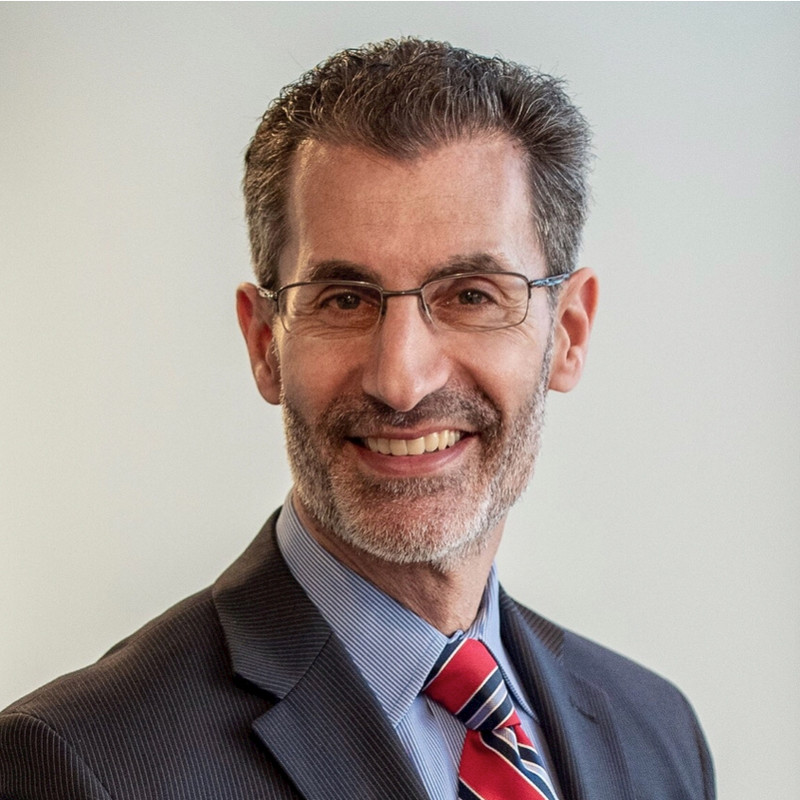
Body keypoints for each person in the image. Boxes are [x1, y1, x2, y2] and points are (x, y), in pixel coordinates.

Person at [0, 38, 714, 800]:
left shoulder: (657, 733)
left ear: (567, 333)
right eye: (344, 300)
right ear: (264, 344)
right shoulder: (84, 765)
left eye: (472, 295)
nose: (401, 381)